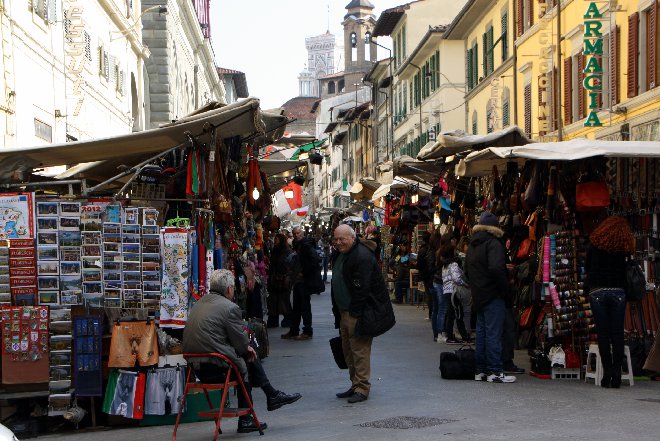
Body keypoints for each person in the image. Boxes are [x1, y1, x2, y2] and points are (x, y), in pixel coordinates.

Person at [183, 269, 301, 433]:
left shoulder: (199, 304)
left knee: (245, 356)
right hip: (215, 368)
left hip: (195, 369)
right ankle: (255, 410)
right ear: (229, 289)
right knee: (248, 358)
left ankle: (268, 398)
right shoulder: (229, 307)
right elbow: (241, 342)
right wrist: (248, 346)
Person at [331, 224, 393, 403]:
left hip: (357, 312)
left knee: (359, 350)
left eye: (342, 239)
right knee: (348, 351)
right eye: (336, 239)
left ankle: (362, 387)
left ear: (352, 237)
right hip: (345, 312)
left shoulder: (361, 256)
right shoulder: (342, 254)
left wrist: (355, 312)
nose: (338, 242)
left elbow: (362, 288)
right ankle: (355, 384)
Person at [465, 211, 516, 383]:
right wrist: (505, 287)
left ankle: (481, 370)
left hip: (479, 294)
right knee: (493, 333)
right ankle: (495, 371)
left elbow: (468, 270)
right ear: (495, 228)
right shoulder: (494, 243)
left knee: (482, 333)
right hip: (493, 294)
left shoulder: (472, 245)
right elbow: (495, 268)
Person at [585, 216, 635, 388]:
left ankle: (606, 373)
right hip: (618, 292)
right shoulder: (624, 248)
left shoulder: (595, 244)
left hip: (597, 291)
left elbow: (588, 267)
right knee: (617, 333)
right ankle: (616, 374)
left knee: (603, 334)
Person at [282, 226, 323, 340]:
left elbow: (314, 260)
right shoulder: (298, 244)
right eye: (294, 233)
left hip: (304, 281)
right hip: (298, 281)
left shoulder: (306, 245)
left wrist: (304, 273)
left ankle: (307, 331)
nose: (296, 235)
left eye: (298, 233)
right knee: (297, 307)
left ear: (302, 233)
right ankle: (294, 330)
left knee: (304, 306)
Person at [439, 242, 470, 343]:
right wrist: (465, 284)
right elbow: (456, 278)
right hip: (453, 292)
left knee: (452, 314)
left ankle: (453, 335)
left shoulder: (444, 266)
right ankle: (453, 337)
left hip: (446, 291)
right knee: (456, 314)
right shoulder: (453, 264)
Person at [266, 233, 293, 328]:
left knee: (283, 300)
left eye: (276, 239)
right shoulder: (275, 250)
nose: (275, 240)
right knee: (272, 300)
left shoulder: (287, 251)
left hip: (283, 280)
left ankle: (288, 320)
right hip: (274, 279)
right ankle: (273, 320)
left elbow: (288, 265)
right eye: (275, 238)